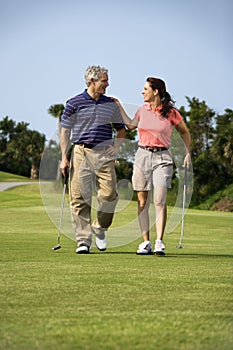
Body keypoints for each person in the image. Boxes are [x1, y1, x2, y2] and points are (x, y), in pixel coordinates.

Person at [114, 77, 191, 255]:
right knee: (142, 201)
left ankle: (159, 242)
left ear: (155, 91)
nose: (142, 92)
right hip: (142, 156)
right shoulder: (143, 109)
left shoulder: (171, 112)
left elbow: (184, 132)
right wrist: (118, 106)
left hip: (162, 157)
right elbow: (131, 126)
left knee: (159, 200)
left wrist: (188, 154)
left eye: (145, 89)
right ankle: (145, 242)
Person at [60, 65, 126, 254]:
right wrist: (64, 157)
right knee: (80, 198)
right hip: (81, 152)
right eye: (104, 80)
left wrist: (117, 147)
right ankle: (83, 241)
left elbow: (121, 128)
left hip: (104, 154)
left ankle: (99, 227)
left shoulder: (110, 104)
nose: (107, 84)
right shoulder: (74, 103)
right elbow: (65, 130)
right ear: (92, 81)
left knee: (109, 196)